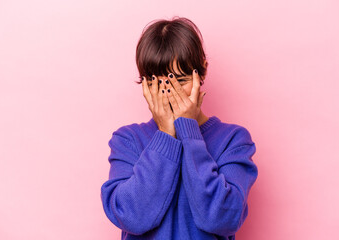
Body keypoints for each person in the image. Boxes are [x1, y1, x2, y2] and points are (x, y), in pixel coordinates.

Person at [100, 16, 258, 240]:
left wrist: (189, 131)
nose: (169, 94)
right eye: (159, 83)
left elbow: (221, 219)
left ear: (202, 71)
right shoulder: (128, 140)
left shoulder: (233, 140)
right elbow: (132, 217)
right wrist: (166, 134)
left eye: (180, 81)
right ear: (144, 83)